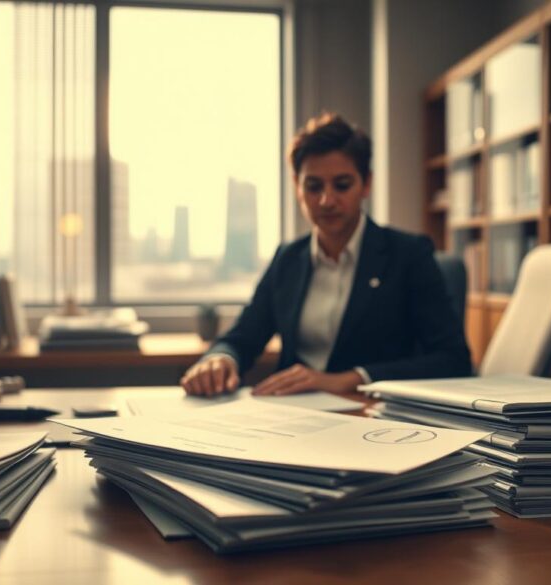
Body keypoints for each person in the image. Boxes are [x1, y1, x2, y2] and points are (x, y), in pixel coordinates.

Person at [181, 113, 471, 397]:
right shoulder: (288, 258)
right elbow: (243, 337)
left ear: (366, 184)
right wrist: (221, 359)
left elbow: (453, 359)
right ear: (297, 186)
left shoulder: (408, 254)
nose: (327, 200)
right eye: (313, 186)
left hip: (374, 418)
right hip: (295, 417)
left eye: (342, 185)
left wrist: (349, 379)